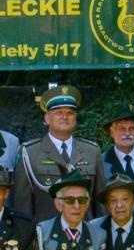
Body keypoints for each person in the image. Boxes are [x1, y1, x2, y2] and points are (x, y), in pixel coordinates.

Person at [13, 85, 105, 222]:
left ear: (76, 118)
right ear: (47, 118)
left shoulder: (92, 151)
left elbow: (100, 202)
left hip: (85, 234)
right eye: (58, 112)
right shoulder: (29, 153)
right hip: (46, 235)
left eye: (70, 113)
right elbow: (22, 206)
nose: (65, 117)